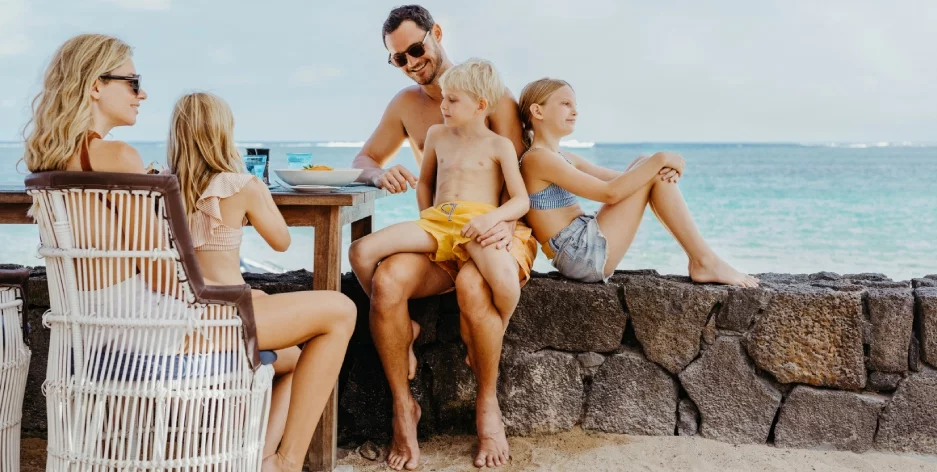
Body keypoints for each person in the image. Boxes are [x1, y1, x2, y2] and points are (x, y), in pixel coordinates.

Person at [349, 5, 535, 469]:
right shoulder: (409, 109)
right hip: (441, 229)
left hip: (492, 230)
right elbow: (365, 159)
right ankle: (402, 408)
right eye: (399, 58)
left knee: (476, 287)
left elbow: (525, 180)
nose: (412, 63)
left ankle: (487, 405)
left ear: (436, 33)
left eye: (416, 49)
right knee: (387, 281)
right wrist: (379, 174)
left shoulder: (492, 96)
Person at [167, 92, 357, 472]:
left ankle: (260, 457)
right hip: (224, 322)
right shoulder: (241, 185)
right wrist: (254, 205)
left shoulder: (161, 188)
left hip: (176, 321)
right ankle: (286, 460)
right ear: (224, 135)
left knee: (293, 359)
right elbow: (282, 242)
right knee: (341, 313)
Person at [517, 78, 759, 287]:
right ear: (538, 112)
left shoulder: (564, 157)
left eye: (575, 105)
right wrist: (662, 159)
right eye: (566, 104)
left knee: (645, 164)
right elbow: (610, 193)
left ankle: (704, 260)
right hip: (581, 255)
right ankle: (704, 261)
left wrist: (666, 166)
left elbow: (626, 181)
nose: (575, 111)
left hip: (584, 246)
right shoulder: (537, 159)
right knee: (649, 165)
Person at [350, 58, 530, 329]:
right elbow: (424, 183)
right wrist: (426, 218)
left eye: (452, 100)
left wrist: (493, 220)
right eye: (444, 98)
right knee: (360, 251)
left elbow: (520, 200)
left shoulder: (499, 145)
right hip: (436, 222)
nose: (443, 106)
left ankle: (500, 326)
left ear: (480, 105)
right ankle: (402, 322)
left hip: (476, 227)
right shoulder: (437, 135)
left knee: (504, 279)